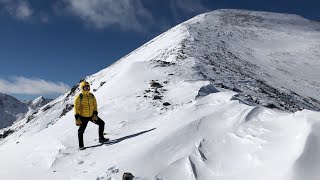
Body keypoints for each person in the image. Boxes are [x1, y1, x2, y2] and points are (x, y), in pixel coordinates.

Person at [74, 81, 109, 150]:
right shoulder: (79, 96)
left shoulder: (92, 96)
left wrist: (95, 114)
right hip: (83, 117)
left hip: (91, 116)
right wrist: (77, 118)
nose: (87, 88)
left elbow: (95, 105)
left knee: (102, 123)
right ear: (82, 88)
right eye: (85, 87)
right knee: (81, 131)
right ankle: (81, 146)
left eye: (88, 87)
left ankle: (101, 138)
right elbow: (76, 107)